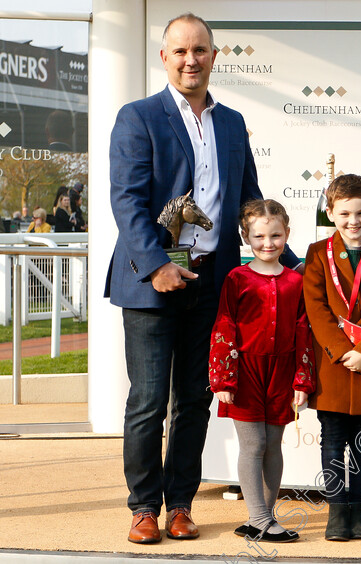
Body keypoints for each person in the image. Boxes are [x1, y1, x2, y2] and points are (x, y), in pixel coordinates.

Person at [105, 13, 270, 544]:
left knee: (195, 399)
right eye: (179, 51)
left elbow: (249, 202)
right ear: (164, 58)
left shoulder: (232, 122)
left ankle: (180, 505)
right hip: (150, 282)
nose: (190, 60)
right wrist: (157, 265)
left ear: (214, 57)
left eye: (200, 50)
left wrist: (286, 261)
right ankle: (143, 508)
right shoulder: (138, 117)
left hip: (211, 284)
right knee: (149, 401)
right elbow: (127, 202)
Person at [209, 199, 314, 543]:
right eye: (259, 237)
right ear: (246, 237)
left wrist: (302, 378)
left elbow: (302, 329)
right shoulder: (236, 278)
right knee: (252, 445)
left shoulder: (295, 282)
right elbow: (224, 324)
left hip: (282, 371)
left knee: (273, 445)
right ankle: (259, 518)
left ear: (287, 235)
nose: (268, 244)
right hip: (245, 371)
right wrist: (223, 377)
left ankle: (264, 520)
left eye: (275, 235)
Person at [303, 174, 361, 541]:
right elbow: (316, 307)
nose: (353, 221)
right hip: (333, 362)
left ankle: (358, 510)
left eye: (360, 212)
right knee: (331, 439)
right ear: (331, 212)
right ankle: (335, 512)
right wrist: (344, 352)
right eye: (344, 213)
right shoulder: (316, 254)